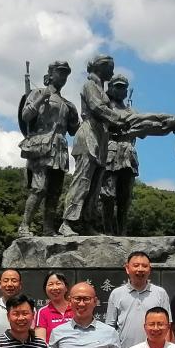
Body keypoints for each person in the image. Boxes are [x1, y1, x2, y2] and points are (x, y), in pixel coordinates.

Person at [59, 55, 131, 236]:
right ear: (100, 67)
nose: (112, 72)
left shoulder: (100, 88)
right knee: (82, 180)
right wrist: (119, 119)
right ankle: (67, 222)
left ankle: (86, 222)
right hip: (89, 133)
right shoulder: (90, 85)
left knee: (95, 185)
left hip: (101, 136)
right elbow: (97, 107)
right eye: (110, 68)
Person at [18, 60, 79, 237]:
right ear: (51, 74)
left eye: (66, 74)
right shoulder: (37, 93)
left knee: (55, 191)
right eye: (60, 73)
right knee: (39, 188)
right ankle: (24, 226)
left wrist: (77, 116)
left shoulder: (67, 104)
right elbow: (26, 115)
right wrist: (41, 98)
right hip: (41, 146)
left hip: (59, 149)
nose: (63, 77)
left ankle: (48, 228)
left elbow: (73, 130)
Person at [105, 251, 173, 348]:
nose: (140, 269)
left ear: (149, 269)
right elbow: (110, 327)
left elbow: (167, 326)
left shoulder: (160, 293)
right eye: (136, 265)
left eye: (144, 266)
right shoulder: (117, 294)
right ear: (127, 268)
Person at [99, 74, 138, 236]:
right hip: (110, 151)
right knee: (107, 194)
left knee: (125, 196)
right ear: (110, 88)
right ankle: (108, 230)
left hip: (128, 154)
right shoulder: (105, 107)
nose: (121, 90)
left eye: (124, 87)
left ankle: (122, 232)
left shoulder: (131, 111)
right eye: (118, 87)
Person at [34, 271, 74, 343]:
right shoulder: (42, 312)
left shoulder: (75, 308)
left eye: (58, 283)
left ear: (66, 288)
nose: (55, 288)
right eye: (50, 284)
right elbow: (40, 342)